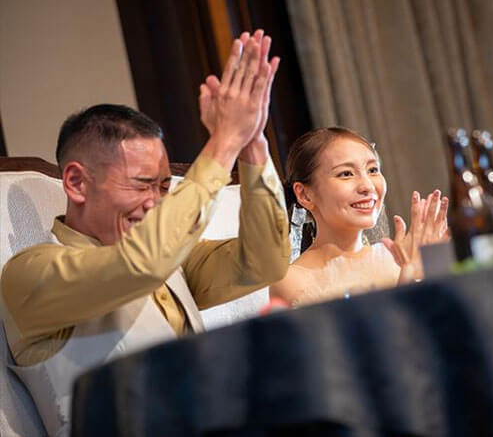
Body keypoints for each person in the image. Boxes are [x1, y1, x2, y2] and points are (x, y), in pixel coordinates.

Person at [0, 30, 288, 436]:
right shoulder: (30, 273)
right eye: (141, 185)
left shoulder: (173, 259)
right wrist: (223, 143)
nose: (155, 203)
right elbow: (139, 266)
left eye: (164, 186)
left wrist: (252, 145)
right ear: (77, 183)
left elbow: (265, 262)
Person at [271, 127, 449, 307]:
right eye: (346, 174)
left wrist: (430, 269)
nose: (368, 186)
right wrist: (407, 284)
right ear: (305, 195)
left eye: (373, 170)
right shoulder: (291, 283)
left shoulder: (398, 258)